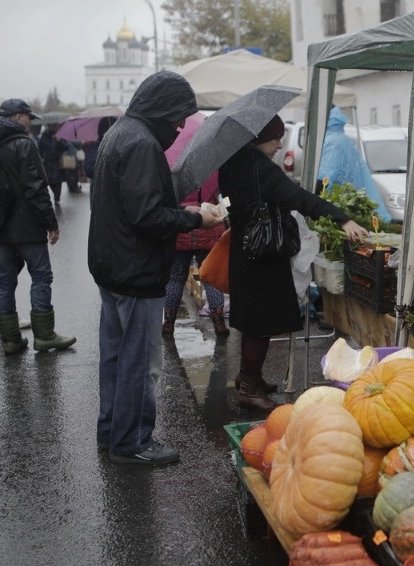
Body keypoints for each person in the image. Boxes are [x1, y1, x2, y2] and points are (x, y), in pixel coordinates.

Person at [88, 70, 223, 466]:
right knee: (139, 363)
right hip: (136, 271)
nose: (181, 124)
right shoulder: (142, 143)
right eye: (179, 115)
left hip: (112, 266)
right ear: (162, 108)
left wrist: (185, 210)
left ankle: (111, 430)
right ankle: (132, 443)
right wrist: (198, 219)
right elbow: (148, 217)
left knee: (114, 356)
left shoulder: (119, 133)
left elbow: (135, 205)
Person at [218, 115, 368, 411]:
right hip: (264, 254)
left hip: (244, 250)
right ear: (262, 137)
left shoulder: (231, 163)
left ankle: (250, 377)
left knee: (251, 321)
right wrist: (342, 217)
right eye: (276, 138)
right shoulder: (261, 168)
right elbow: (299, 198)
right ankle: (248, 388)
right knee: (262, 323)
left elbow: (228, 202)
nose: (279, 145)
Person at [0, 99, 76, 354]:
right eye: (27, 117)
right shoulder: (24, 144)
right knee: (41, 276)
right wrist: (51, 223)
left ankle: (10, 340)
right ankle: (44, 335)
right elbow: (36, 188)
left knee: (3, 280)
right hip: (26, 226)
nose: (30, 122)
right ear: (17, 117)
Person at [163, 191, 229, 337]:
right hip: (209, 230)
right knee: (211, 279)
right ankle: (219, 324)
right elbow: (223, 200)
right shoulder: (212, 173)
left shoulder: (175, 175)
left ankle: (168, 324)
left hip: (181, 228)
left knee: (175, 278)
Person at [317, 106, 391, 222]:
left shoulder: (331, 142)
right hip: (357, 204)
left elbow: (324, 177)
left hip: (341, 207)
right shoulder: (345, 140)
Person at [37, 122, 74, 205]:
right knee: (49, 181)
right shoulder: (44, 136)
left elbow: (67, 146)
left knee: (58, 181)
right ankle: (55, 194)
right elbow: (40, 148)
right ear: (48, 126)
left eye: (55, 125)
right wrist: (40, 158)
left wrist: (59, 141)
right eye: (52, 125)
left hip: (58, 162)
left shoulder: (60, 135)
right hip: (48, 163)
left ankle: (57, 197)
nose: (54, 127)